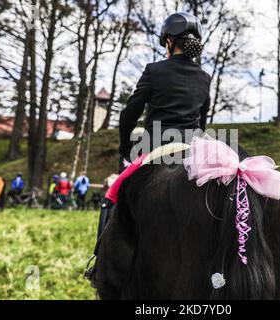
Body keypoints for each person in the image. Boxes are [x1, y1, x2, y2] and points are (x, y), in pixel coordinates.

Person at [87, 12, 211, 281]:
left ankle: (99, 265)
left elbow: (129, 113)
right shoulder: (204, 77)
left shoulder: (155, 70)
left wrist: (125, 147)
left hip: (157, 150)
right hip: (193, 154)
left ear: (168, 41)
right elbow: (201, 122)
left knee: (112, 194)